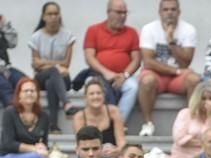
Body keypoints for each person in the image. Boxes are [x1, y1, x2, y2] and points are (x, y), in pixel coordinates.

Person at [138, 0, 201, 137]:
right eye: (166, 10)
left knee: (194, 80)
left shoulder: (188, 30)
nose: (170, 13)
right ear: (160, 12)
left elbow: (185, 63)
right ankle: (148, 124)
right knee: (146, 80)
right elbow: (148, 62)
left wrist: (171, 41)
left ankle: (191, 124)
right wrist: (176, 70)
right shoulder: (149, 29)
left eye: (173, 9)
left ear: (179, 11)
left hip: (177, 78)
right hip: (157, 74)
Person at [82, 0, 140, 123]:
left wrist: (124, 75)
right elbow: (89, 57)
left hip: (123, 76)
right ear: (108, 12)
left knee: (133, 87)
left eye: (125, 13)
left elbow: (136, 59)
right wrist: (106, 73)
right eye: (119, 12)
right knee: (92, 86)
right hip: (99, 74)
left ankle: (117, 123)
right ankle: (99, 123)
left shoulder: (132, 33)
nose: (123, 16)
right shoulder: (93, 30)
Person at [29, 2, 79, 133]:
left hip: (63, 79)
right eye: (50, 14)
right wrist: (56, 65)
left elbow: (66, 63)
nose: (53, 17)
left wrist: (44, 62)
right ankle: (66, 103)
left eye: (56, 14)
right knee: (52, 72)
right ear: (43, 17)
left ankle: (53, 125)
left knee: (51, 82)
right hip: (41, 77)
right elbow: (35, 64)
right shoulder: (36, 37)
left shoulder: (68, 36)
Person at [72, 79, 126, 158]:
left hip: (111, 156)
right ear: (85, 98)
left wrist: (116, 151)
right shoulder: (79, 117)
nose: (95, 96)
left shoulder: (113, 111)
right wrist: (98, 152)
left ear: (104, 95)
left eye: (98, 93)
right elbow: (81, 145)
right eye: (91, 94)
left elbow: (121, 142)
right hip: (89, 157)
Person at [0, 14, 27, 107]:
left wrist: (5, 26)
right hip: (2, 71)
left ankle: (32, 114)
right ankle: (13, 116)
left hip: (6, 68)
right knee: (5, 87)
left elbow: (12, 43)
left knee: (26, 83)